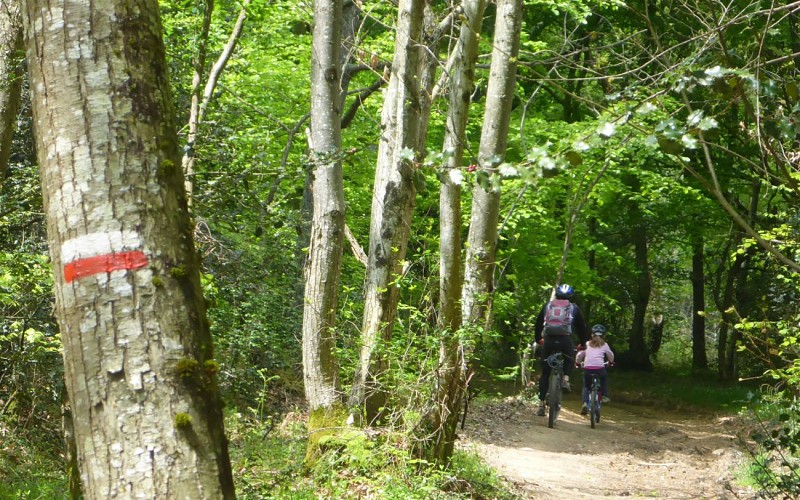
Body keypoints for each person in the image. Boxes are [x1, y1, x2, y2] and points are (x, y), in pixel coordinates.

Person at [533, 284, 588, 417]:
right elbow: (582, 327)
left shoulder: (548, 306)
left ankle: (541, 404)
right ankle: (566, 379)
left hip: (549, 340)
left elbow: (538, 323)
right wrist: (582, 343)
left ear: (556, 295)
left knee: (545, 373)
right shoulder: (574, 308)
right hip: (565, 340)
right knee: (569, 357)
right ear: (570, 296)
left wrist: (538, 339)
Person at [576, 324, 615, 416]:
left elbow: (579, 355)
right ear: (604, 335)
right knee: (604, 378)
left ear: (592, 335)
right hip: (600, 368)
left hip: (587, 368)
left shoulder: (586, 344)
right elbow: (610, 355)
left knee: (586, 385)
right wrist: (611, 362)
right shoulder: (605, 345)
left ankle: (585, 403)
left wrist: (578, 363)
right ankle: (604, 395)